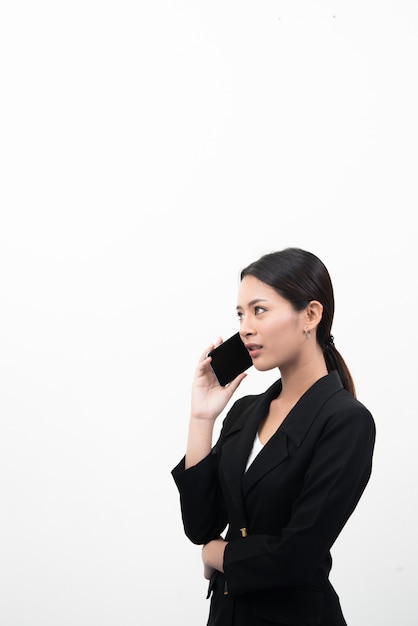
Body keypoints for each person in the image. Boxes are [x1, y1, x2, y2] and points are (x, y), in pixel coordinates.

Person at [171, 247, 376, 626]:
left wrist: (216, 555)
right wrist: (201, 418)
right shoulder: (245, 411)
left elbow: (296, 556)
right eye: (240, 314)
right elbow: (200, 525)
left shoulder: (346, 421)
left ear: (311, 315)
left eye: (259, 309)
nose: (245, 327)